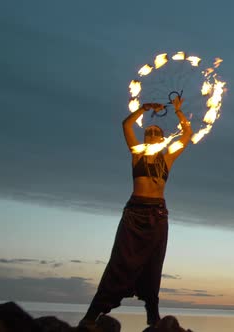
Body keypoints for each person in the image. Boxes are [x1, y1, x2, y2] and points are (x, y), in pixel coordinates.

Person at [79, 97, 192, 329]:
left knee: (153, 265)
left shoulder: (167, 160)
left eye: (155, 132)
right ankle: (91, 315)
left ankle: (153, 317)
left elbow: (187, 136)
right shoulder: (137, 154)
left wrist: (179, 112)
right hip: (134, 215)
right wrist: (143, 108)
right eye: (148, 131)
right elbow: (126, 125)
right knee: (119, 262)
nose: (150, 133)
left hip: (158, 216)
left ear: (161, 139)